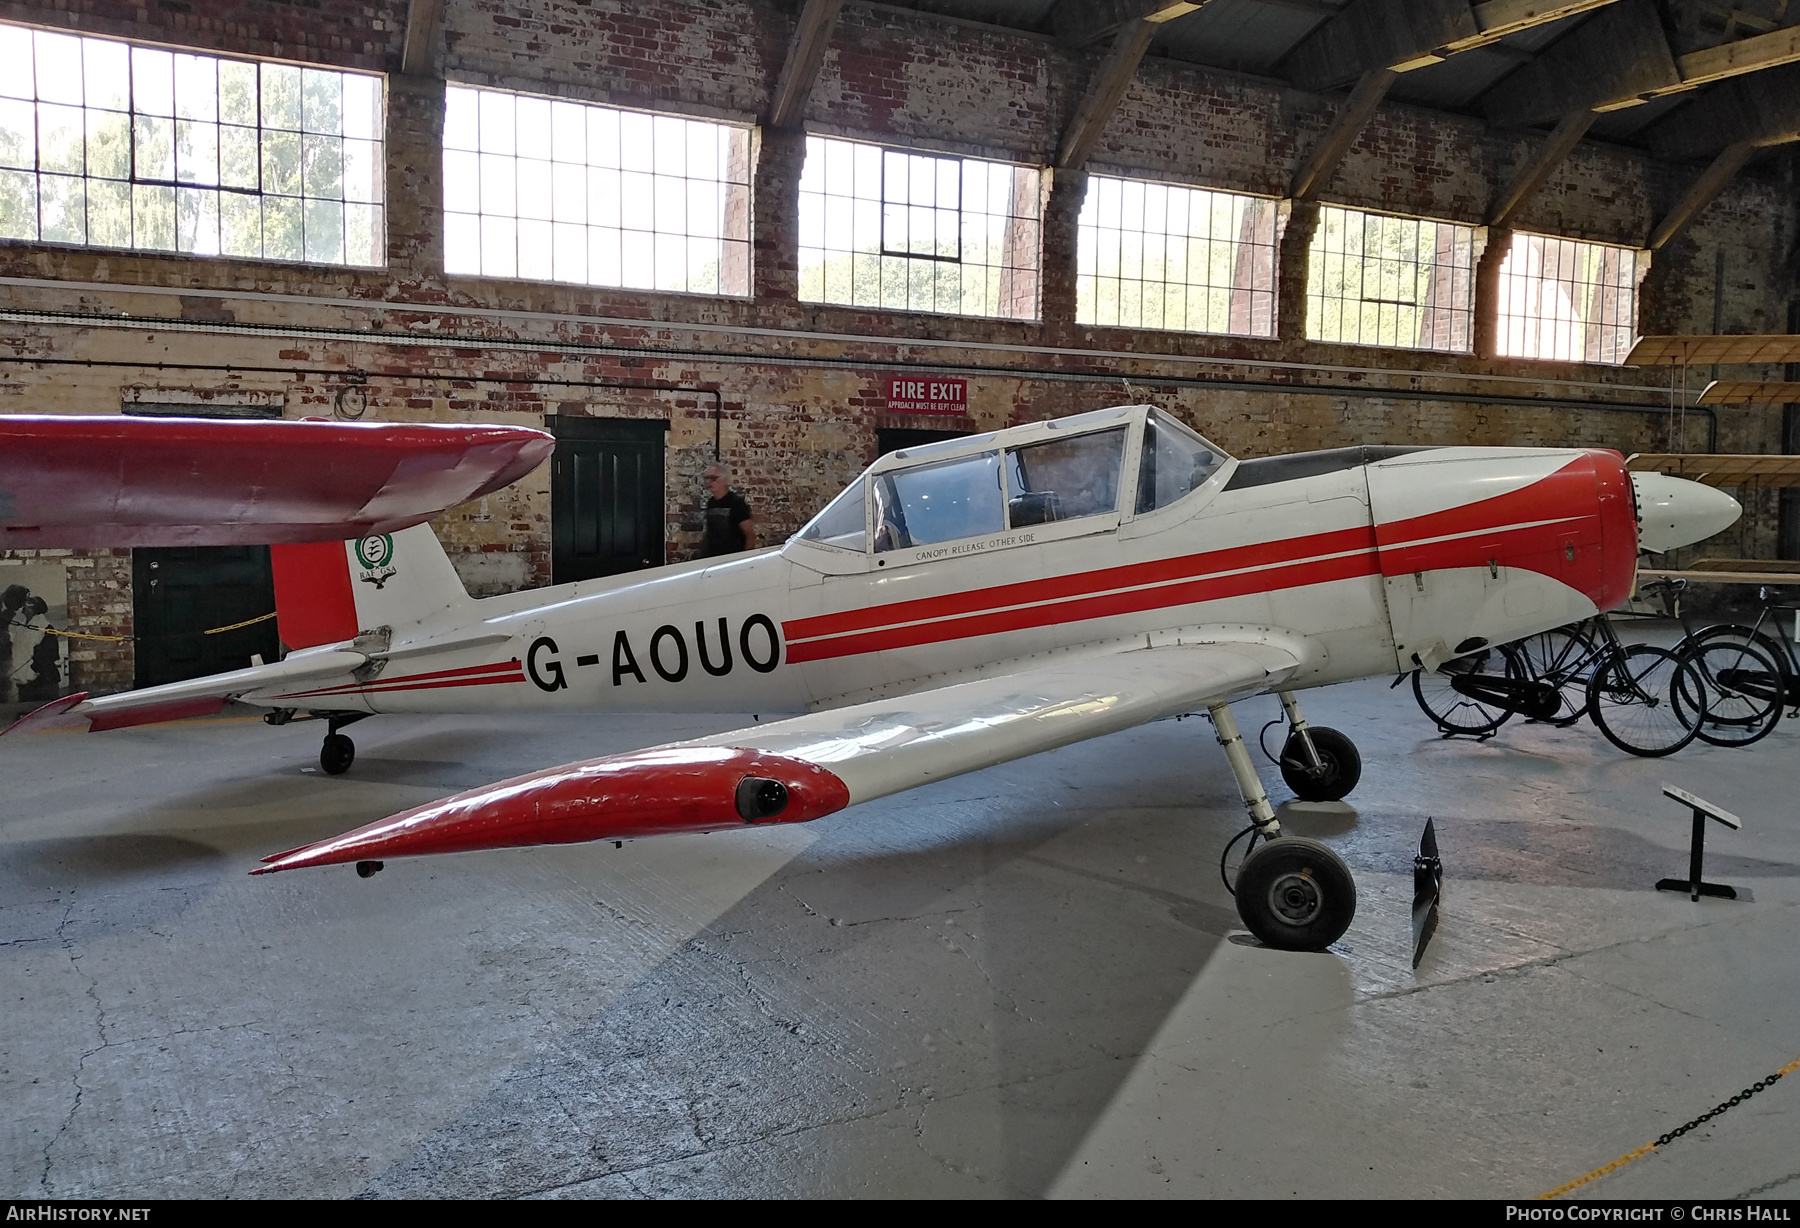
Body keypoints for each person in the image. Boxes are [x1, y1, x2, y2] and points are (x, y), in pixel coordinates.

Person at [700, 463, 756, 557]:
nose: (710, 482)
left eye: (713, 478)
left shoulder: (737, 503)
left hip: (732, 560)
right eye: (708, 478)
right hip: (712, 560)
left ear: (724, 480)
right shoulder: (711, 503)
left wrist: (745, 560)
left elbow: (749, 535)